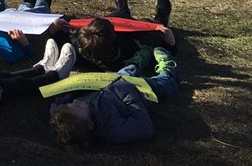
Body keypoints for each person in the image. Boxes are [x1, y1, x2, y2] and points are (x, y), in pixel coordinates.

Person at [49, 46, 179, 147]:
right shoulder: (111, 129)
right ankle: (168, 69)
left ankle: (137, 61)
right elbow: (144, 127)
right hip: (138, 91)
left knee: (128, 69)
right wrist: (128, 93)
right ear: (90, 125)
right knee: (164, 83)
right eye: (76, 106)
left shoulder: (77, 112)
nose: (76, 101)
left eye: (71, 103)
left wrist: (60, 106)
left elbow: (57, 105)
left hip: (113, 81)